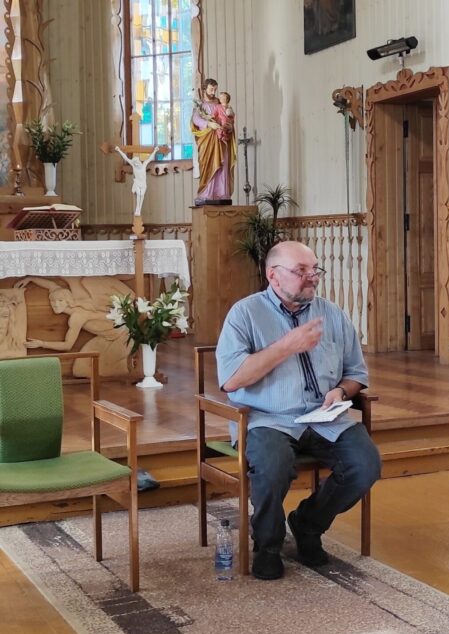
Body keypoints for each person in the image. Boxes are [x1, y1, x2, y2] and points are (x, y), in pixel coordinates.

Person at [215, 240, 381, 580]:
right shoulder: (245, 314)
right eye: (301, 271)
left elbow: (356, 373)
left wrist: (341, 391)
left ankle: (307, 524)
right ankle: (268, 545)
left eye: (314, 270)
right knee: (272, 467)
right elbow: (231, 380)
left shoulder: (332, 314)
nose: (312, 277)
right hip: (267, 418)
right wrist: (287, 346)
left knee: (366, 465)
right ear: (273, 276)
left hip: (324, 417)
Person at [191, 78, 237, 205]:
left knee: (222, 164)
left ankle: (222, 193)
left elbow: (229, 118)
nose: (213, 92)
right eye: (211, 89)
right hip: (207, 141)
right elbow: (195, 119)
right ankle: (207, 193)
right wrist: (209, 124)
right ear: (205, 89)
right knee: (208, 164)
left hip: (221, 139)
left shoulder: (220, 103)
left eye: (215, 90)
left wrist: (230, 127)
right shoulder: (200, 104)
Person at [113, 145, 161, 217]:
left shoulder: (144, 165)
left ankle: (139, 209)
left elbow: (150, 158)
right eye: (135, 164)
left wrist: (155, 150)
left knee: (142, 195)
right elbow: (125, 158)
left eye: (137, 163)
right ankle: (137, 209)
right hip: (138, 183)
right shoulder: (134, 166)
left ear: (139, 162)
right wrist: (119, 150)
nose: (137, 164)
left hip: (143, 184)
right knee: (139, 195)